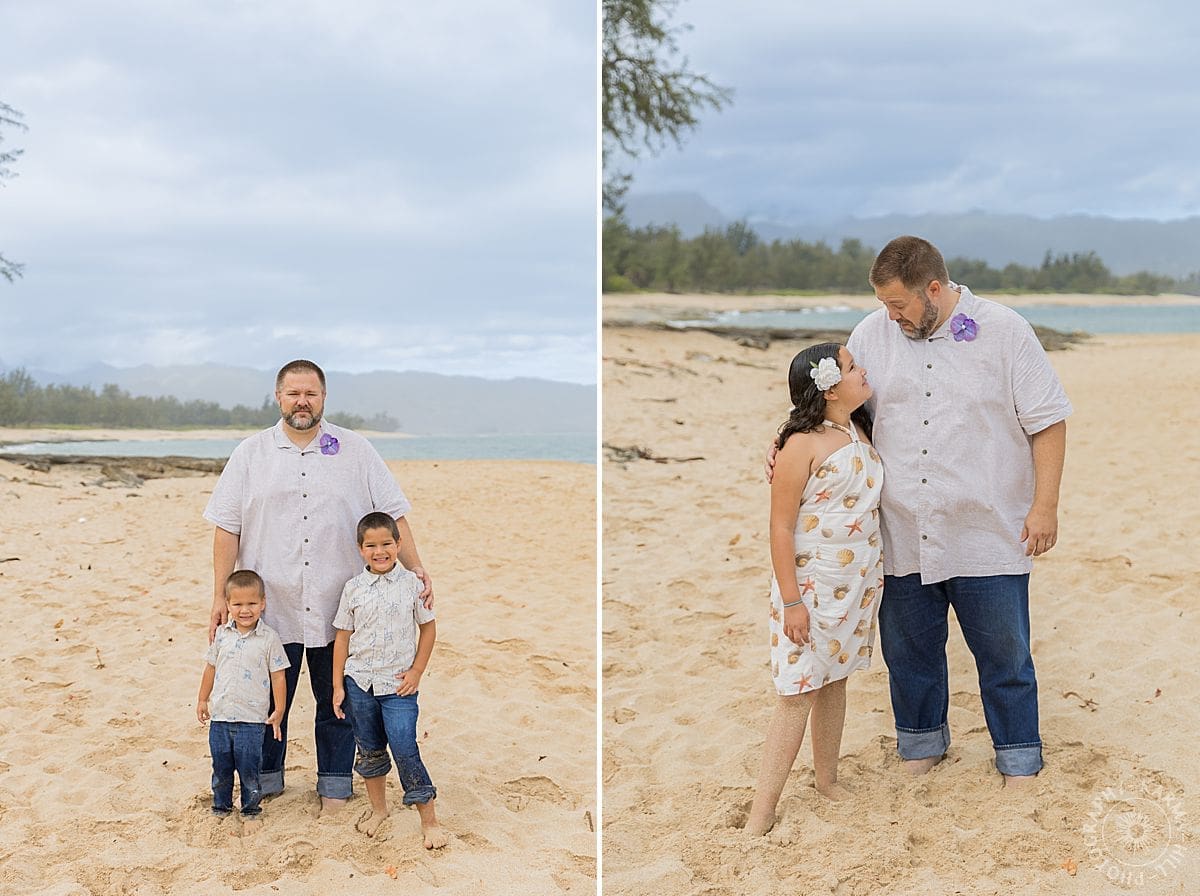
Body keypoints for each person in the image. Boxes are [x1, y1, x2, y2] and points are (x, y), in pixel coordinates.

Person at [772, 235, 1070, 784]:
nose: (891, 315)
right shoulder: (870, 334)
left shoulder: (1005, 331)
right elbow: (847, 412)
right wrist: (791, 446)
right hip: (901, 530)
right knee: (909, 655)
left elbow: (1047, 419)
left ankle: (1019, 757)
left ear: (934, 289)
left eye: (899, 303)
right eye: (884, 303)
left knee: (1005, 657)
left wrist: (1044, 506)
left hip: (989, 529)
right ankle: (921, 747)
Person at [203, 359, 433, 814]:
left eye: (310, 393)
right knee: (267, 699)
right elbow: (227, 528)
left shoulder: (356, 450)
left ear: (323, 397)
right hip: (272, 604)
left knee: (337, 700)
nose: (301, 402)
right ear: (278, 397)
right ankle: (266, 781)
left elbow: (392, 513)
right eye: (293, 393)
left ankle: (333, 784)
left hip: (338, 604)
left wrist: (418, 570)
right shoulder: (250, 454)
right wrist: (217, 594)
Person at [745, 343, 883, 836]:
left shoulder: (858, 427)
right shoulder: (801, 445)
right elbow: (780, 528)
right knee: (797, 691)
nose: (862, 370)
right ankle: (762, 810)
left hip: (858, 583)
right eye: (851, 367)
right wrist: (791, 602)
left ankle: (827, 778)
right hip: (812, 586)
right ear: (827, 387)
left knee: (835, 679)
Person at [332, 512, 447, 849]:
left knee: (404, 746)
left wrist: (416, 672)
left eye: (386, 544)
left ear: (398, 544)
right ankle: (379, 810)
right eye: (371, 545)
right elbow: (342, 637)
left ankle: (429, 820)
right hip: (360, 681)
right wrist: (339, 685)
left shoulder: (413, 584)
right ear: (360, 549)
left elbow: (428, 629)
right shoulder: (352, 588)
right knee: (368, 749)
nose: (379, 551)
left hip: (398, 685)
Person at [196, 569, 289, 833]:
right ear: (228, 605)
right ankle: (221, 806)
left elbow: (278, 676)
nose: (245, 610)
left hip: (252, 719)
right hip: (222, 716)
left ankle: (250, 809)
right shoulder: (222, 636)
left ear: (263, 603)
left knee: (249, 767)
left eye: (251, 603)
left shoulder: (269, 638)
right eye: (237, 604)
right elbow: (210, 668)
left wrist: (279, 708)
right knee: (221, 766)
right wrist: (203, 699)